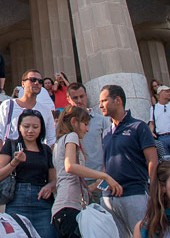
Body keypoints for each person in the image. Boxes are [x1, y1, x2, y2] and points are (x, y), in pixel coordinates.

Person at [52, 106, 123, 238]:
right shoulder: (72, 136)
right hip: (69, 208)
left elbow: (68, 178)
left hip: (64, 209)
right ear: (74, 121)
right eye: (85, 124)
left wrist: (93, 187)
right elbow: (70, 166)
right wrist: (104, 175)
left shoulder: (59, 143)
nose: (87, 129)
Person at [100, 84, 159, 238]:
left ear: (117, 100)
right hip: (109, 198)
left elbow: (152, 160)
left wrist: (153, 190)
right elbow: (107, 163)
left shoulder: (139, 127)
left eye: (104, 100)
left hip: (134, 193)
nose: (100, 105)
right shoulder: (106, 133)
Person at [0, 109, 56, 237]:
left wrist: (49, 186)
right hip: (17, 199)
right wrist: (14, 162)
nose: (30, 130)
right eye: (26, 126)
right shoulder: (11, 145)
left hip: (42, 201)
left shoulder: (46, 150)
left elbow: (53, 179)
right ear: (19, 127)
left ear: (41, 129)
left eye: (35, 127)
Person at [0, 70, 57, 155]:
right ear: (23, 83)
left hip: (38, 158)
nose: (37, 83)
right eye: (33, 79)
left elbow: (51, 140)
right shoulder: (8, 105)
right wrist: (2, 162)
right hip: (13, 156)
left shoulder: (46, 111)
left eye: (40, 81)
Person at [65, 82, 105, 172]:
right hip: (75, 178)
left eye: (82, 96)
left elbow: (109, 148)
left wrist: (103, 175)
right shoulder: (64, 123)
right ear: (68, 99)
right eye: (75, 98)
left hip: (98, 175)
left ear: (86, 96)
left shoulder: (101, 120)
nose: (79, 100)